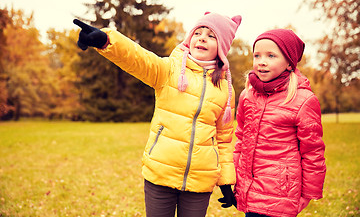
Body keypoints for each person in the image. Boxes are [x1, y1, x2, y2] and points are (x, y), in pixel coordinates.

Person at [73, 12, 241, 217]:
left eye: (211, 35)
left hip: (200, 181)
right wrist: (107, 40)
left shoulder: (225, 89)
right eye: (198, 32)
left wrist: (225, 181)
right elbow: (139, 58)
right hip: (160, 173)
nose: (202, 37)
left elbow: (223, 140)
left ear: (222, 47)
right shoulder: (169, 70)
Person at [233, 29, 326, 217]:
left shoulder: (303, 99)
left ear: (289, 63)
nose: (261, 61)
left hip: (281, 194)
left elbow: (313, 151)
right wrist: (232, 180)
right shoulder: (247, 96)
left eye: (271, 55)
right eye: (257, 55)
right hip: (251, 192)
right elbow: (241, 141)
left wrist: (308, 194)